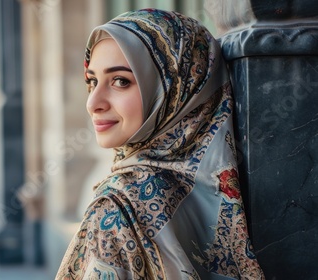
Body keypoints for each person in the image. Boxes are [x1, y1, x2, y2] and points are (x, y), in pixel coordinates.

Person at [56, 9, 265, 279]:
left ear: (176, 92)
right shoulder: (232, 188)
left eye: (121, 81)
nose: (93, 103)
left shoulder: (116, 210)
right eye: (92, 81)